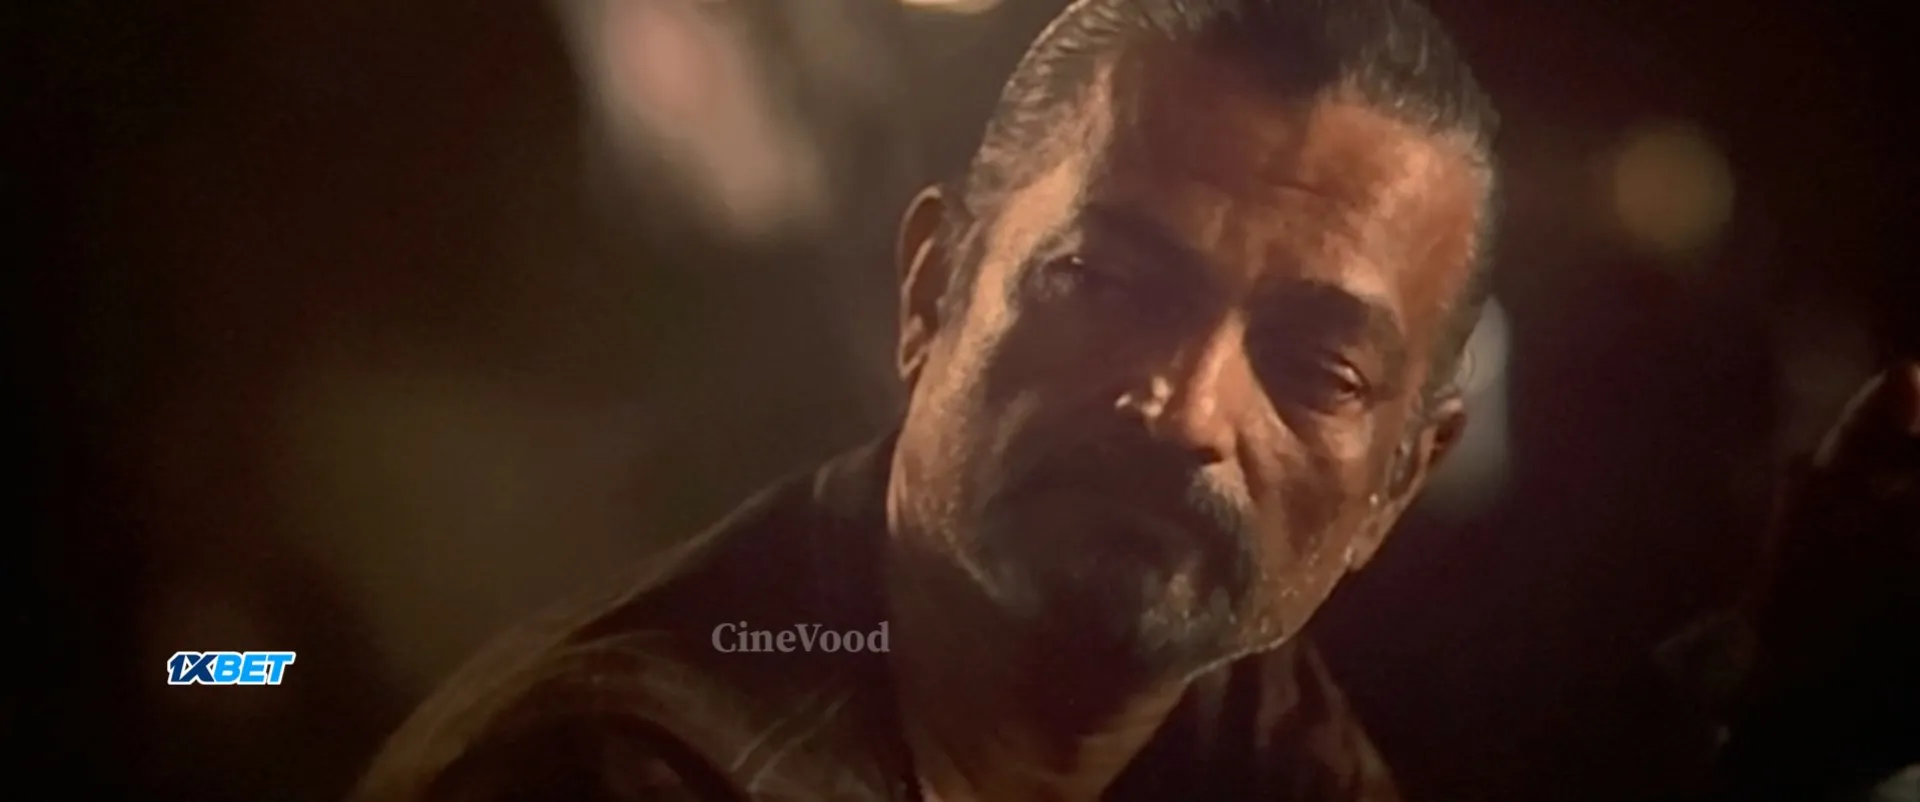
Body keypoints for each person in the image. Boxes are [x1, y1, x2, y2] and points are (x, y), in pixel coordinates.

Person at [349, 0, 1920, 799]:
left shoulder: (1223, 702)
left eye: (1316, 366)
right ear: (931, 291)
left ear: (1398, 479)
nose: (1181, 409)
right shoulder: (621, 772)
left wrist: (1792, 734)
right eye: (1106, 281)